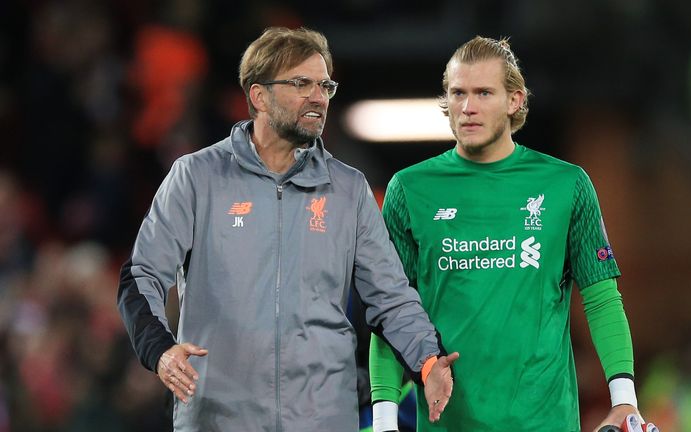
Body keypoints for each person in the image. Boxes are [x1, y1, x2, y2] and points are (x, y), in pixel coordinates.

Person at [117, 27, 459, 432]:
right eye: (302, 84)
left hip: (323, 418)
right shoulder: (196, 177)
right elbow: (141, 277)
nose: (318, 97)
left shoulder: (349, 190)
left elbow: (392, 298)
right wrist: (160, 350)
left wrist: (429, 359)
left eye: (325, 85)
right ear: (259, 96)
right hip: (218, 418)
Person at [368, 36, 646, 432]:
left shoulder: (567, 185)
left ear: (515, 100)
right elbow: (392, 310)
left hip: (544, 421)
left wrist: (624, 401)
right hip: (448, 424)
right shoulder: (409, 190)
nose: (468, 107)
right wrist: (383, 421)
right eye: (457, 93)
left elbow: (601, 298)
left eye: (483, 92)